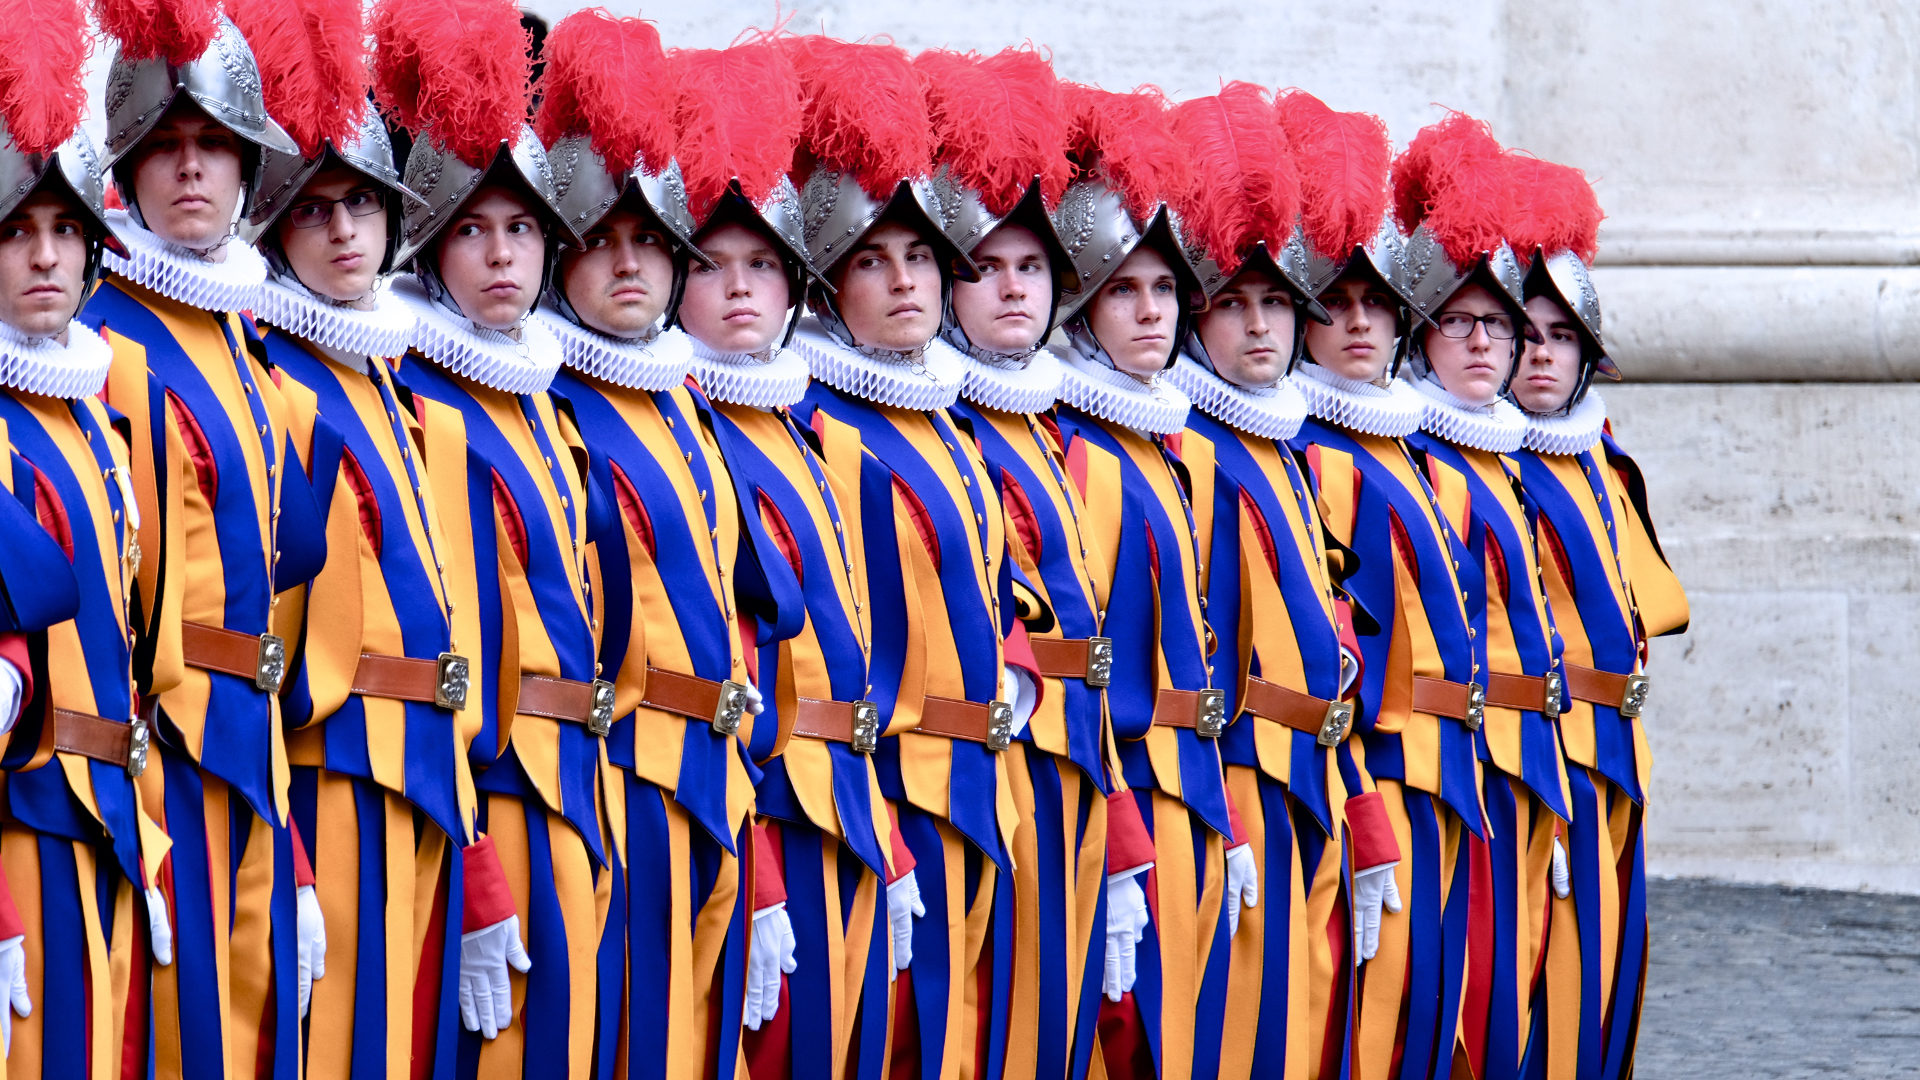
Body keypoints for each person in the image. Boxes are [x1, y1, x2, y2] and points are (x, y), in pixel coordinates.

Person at [230, 0, 496, 1073]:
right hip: (326, 773)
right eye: (314, 209)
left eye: (363, 207)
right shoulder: (273, 379)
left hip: (430, 779)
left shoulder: (399, 392)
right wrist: (284, 850)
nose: (345, 231)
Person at [81, 4, 327, 1075]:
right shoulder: (99, 340)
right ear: (127, 172)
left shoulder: (246, 342)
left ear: (246, 169)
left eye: (213, 147)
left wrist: (301, 854)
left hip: (255, 761)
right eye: (165, 148)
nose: (190, 171)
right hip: (160, 762)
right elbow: (106, 609)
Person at [783, 36, 1035, 1080]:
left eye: (922, 255)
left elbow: (1001, 585)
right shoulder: (817, 422)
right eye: (873, 260)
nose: (904, 280)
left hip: (991, 784)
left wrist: (1017, 667)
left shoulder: (951, 418)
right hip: (888, 792)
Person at [370, 0, 604, 1074]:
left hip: (586, 789)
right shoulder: (422, 400)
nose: (502, 255)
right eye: (470, 227)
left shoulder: (546, 401)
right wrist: (474, 861)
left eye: (520, 228)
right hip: (485, 797)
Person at [667, 39, 901, 1080]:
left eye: (765, 262)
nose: (743, 288)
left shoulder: (801, 430)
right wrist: (757, 846)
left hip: (850, 805)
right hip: (755, 811)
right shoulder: (688, 432)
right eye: (714, 262)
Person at [532, 12, 760, 1078]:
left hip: (712, 787)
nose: (629, 264)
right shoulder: (548, 411)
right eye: (597, 241)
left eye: (650, 242)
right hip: (604, 782)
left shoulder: (684, 408)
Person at [921, 47, 1150, 1080]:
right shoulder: (945, 425)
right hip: (975, 775)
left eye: (1029, 267)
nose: (1010, 288)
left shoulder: (1055, 427)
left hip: (1073, 779)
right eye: (982, 267)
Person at [1164, 85, 1396, 1080]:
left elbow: (1335, 644)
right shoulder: (1196, 452)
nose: (1260, 326)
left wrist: (1360, 805)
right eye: (1233, 304)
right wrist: (1219, 814)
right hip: (1240, 784)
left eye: (1273, 302)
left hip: (1312, 781)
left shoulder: (1285, 449)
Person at [1043, 84, 1240, 1080]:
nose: (1153, 312)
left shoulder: (1168, 444)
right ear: (1082, 307)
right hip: (1131, 792)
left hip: (1196, 786)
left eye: (1165, 291)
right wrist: (1122, 830)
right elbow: (1091, 667)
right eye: (1124, 290)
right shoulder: (1081, 453)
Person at [1284, 120, 1487, 1080]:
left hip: (1454, 776)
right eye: (1336, 302)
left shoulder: (1408, 448)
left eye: (1377, 302)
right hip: (1371, 780)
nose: (1361, 322)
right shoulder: (1308, 457)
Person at [0, 5, 172, 1071]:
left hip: (108, 824)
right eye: (16, 230)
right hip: (22, 832)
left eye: (66, 229)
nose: (47, 254)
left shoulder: (95, 416)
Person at [1392, 115, 1575, 1080]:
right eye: (1456, 322)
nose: (1482, 343)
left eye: (1494, 324)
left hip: (1518, 765)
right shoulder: (1407, 456)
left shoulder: (1508, 460)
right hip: (1425, 772)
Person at [1503, 154, 1688, 1080]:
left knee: (1607, 987)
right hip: (1535, 757)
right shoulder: (1485, 466)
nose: (1540, 352)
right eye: (1522, 330)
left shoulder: (1602, 456)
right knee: (1528, 992)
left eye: (1560, 334)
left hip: (1616, 755)